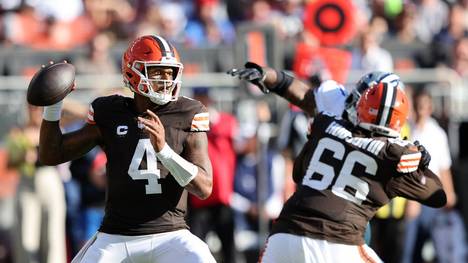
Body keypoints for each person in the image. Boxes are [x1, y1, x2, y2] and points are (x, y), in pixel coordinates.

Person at [228, 62, 447, 262]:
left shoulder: (327, 122)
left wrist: (270, 76)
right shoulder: (393, 152)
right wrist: (421, 165)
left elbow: (303, 97)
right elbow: (437, 195)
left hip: (285, 233)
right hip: (338, 240)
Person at [38, 35, 216, 263]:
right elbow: (52, 154)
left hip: (171, 233)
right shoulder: (110, 112)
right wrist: (53, 104)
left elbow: (204, 187)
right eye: (157, 72)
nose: (166, 79)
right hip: (116, 235)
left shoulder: (188, 112)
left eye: (169, 72)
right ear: (132, 73)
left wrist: (165, 153)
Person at [402, 88, 466, 263]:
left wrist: (449, 194)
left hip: (430, 197)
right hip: (412, 198)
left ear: (430, 108)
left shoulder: (437, 133)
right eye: (418, 105)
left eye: (424, 105)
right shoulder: (408, 131)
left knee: (443, 249)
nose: (421, 109)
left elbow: (443, 166)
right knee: (409, 252)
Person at [188, 87, 237, 263]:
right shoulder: (189, 124)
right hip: (198, 198)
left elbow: (232, 134)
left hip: (221, 198)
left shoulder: (225, 121)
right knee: (195, 249)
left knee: (229, 251)